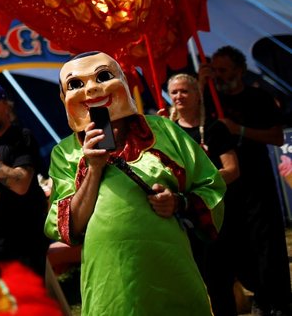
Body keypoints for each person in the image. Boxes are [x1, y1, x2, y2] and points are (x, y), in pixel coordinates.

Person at [44, 51, 225, 316]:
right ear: (64, 98)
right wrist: (93, 169)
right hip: (110, 282)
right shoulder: (65, 153)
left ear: (123, 81)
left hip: (170, 268)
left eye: (103, 76)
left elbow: (211, 187)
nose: (91, 89)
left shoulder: (164, 131)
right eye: (75, 84)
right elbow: (70, 226)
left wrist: (177, 201)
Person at [201, 45, 292, 316]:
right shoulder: (209, 99)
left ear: (239, 71)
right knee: (234, 242)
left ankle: (275, 300)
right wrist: (200, 82)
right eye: (214, 70)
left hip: (257, 180)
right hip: (226, 181)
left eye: (223, 70)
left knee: (265, 240)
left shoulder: (258, 98)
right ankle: (251, 292)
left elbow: (276, 136)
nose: (218, 75)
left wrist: (239, 130)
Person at [166, 72, 240, 316]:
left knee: (219, 280)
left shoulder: (214, 128)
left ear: (198, 95)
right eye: (174, 92)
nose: (178, 96)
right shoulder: (166, 132)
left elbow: (232, 170)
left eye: (184, 91)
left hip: (211, 213)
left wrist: (200, 183)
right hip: (179, 215)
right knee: (188, 279)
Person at [0, 80, 49, 276]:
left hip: (25, 243)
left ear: (6, 105)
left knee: (30, 303)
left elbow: (20, 183)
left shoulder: (22, 137)